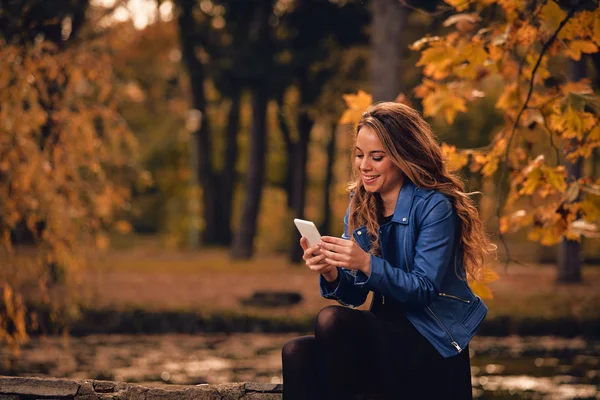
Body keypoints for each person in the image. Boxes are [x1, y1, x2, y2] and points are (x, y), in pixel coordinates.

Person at [281, 102, 496, 400]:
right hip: (384, 336)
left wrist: (367, 263)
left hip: (430, 342)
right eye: (359, 155)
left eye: (376, 157)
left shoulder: (435, 207)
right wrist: (331, 272)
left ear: (402, 156)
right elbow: (355, 296)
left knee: (331, 320)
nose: (363, 166)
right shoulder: (361, 204)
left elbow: (424, 289)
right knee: (295, 352)